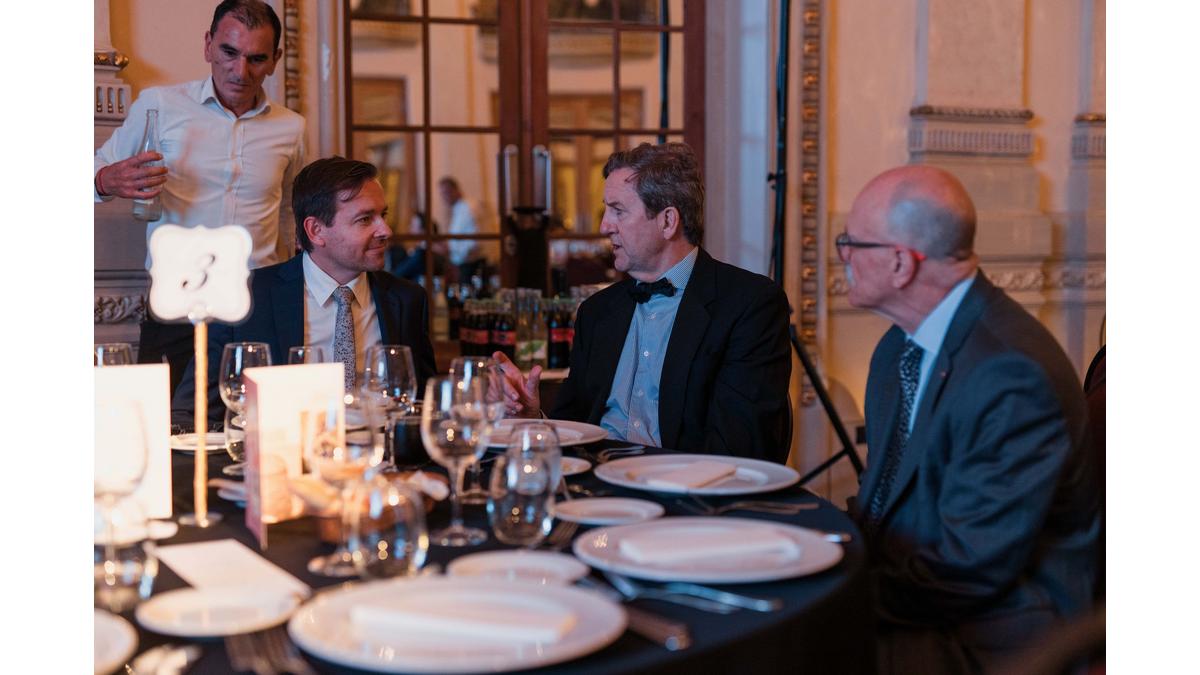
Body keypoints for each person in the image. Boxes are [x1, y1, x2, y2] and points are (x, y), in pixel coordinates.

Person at [840, 165, 1100, 674]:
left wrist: (833, 599)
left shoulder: (1010, 375)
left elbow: (968, 570)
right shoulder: (897, 348)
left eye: (852, 243)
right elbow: (882, 505)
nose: (844, 256)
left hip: (998, 632)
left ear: (901, 263)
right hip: (917, 592)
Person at [494, 142, 792, 463]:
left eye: (618, 210)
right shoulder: (597, 312)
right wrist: (533, 418)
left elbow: (739, 449)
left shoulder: (748, 306)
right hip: (594, 483)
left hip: (685, 487)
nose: (604, 226)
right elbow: (573, 429)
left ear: (667, 221)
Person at [94, 0, 306, 399]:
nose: (240, 71)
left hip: (259, 302)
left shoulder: (292, 128)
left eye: (256, 58)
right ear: (208, 45)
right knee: (158, 419)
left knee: (260, 422)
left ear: (275, 60)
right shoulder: (159, 106)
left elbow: (289, 214)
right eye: (229, 52)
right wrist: (107, 179)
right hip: (176, 298)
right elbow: (95, 170)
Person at [172, 156, 437, 425]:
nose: (386, 230)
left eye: (383, 215)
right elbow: (190, 414)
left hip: (378, 448)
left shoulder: (407, 300)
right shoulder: (245, 298)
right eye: (365, 219)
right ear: (316, 230)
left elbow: (423, 408)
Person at [438, 176, 484, 281]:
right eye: (442, 194)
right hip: (461, 264)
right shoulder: (457, 209)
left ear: (456, 190)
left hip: (470, 264)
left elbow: (475, 239)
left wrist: (450, 248)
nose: (444, 197)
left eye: (447, 192)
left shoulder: (467, 208)